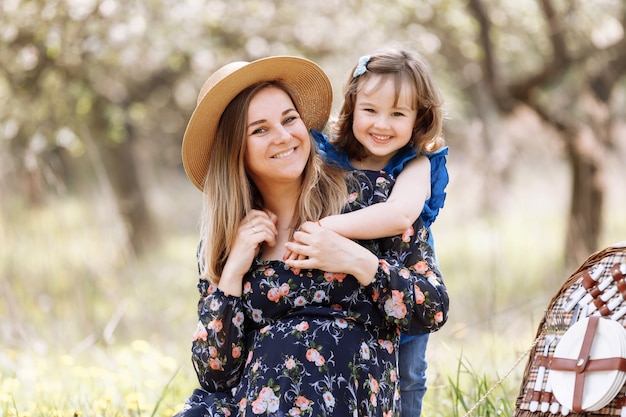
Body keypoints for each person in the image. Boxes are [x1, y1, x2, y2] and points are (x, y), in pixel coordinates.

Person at [174, 55, 449, 417]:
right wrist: (232, 275)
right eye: (260, 130)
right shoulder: (232, 238)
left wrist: (358, 261)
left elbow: (432, 309)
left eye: (290, 120)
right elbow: (214, 373)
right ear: (235, 151)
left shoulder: (373, 201)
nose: (284, 136)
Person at [303, 45, 449, 417]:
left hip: (403, 288)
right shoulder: (328, 158)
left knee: (408, 376)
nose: (381, 125)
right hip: (348, 301)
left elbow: (398, 214)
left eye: (397, 114)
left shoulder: (416, 164)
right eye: (370, 110)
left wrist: (325, 228)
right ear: (352, 107)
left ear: (419, 118)